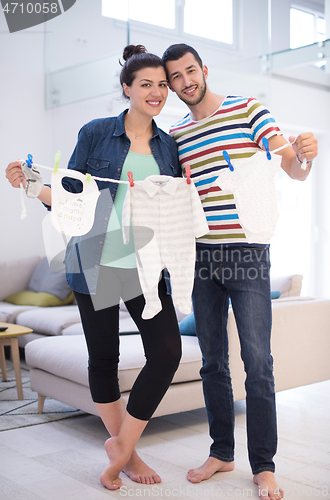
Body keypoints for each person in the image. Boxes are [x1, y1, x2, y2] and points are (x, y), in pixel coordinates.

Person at [5, 45, 182, 491]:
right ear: (126, 88)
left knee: (166, 352)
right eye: (146, 84)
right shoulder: (97, 133)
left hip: (147, 263)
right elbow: (72, 198)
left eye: (162, 84)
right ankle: (130, 452)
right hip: (96, 255)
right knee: (104, 358)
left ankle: (119, 447)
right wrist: (31, 186)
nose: (157, 92)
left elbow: (176, 209)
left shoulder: (170, 145)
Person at [162, 43, 318, 500]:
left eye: (191, 70)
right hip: (200, 256)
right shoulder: (175, 135)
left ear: (204, 70)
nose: (186, 80)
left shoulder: (248, 108)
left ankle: (264, 466)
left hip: (248, 252)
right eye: (176, 76)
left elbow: (291, 167)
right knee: (212, 361)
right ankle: (221, 451)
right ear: (171, 85)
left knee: (258, 362)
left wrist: (305, 154)